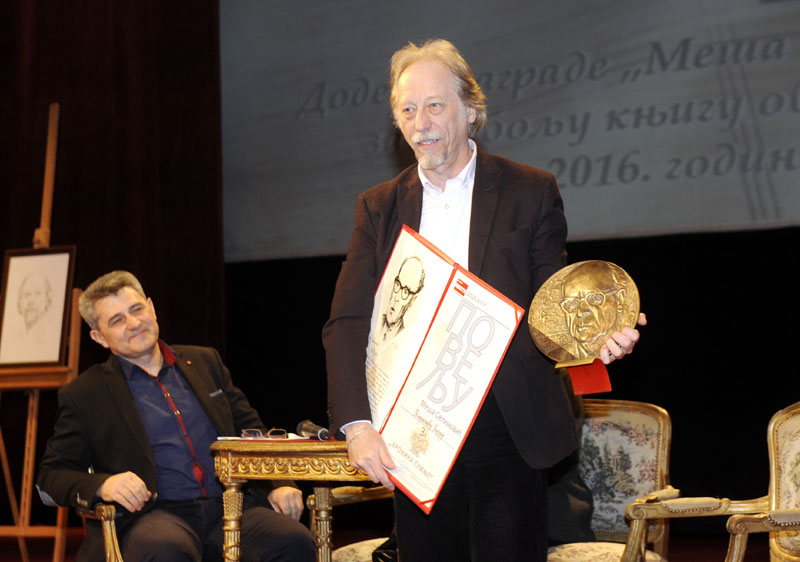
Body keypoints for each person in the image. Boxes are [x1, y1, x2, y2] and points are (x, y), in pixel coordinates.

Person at [322, 39, 645, 561]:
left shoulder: (529, 191)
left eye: (434, 105)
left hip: (506, 425)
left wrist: (596, 335)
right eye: (407, 110)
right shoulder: (378, 207)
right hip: (414, 433)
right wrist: (357, 426)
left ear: (471, 109)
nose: (420, 123)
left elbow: (552, 304)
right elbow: (349, 320)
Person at [37, 271, 315, 562]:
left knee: (293, 540)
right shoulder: (85, 393)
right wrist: (103, 485)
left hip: (231, 506)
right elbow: (50, 477)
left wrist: (278, 484)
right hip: (153, 516)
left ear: (151, 308)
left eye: (137, 309)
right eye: (117, 320)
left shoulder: (205, 361)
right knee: (167, 549)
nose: (134, 323)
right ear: (99, 337)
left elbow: (252, 431)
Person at [560, 261, 629, 359]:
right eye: (571, 303)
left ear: (619, 299)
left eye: (594, 298)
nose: (580, 312)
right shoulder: (558, 354)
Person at [381, 256, 425, 340]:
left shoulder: (405, 338)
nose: (396, 298)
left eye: (405, 292)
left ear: (412, 300)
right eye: (398, 284)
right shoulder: (376, 320)